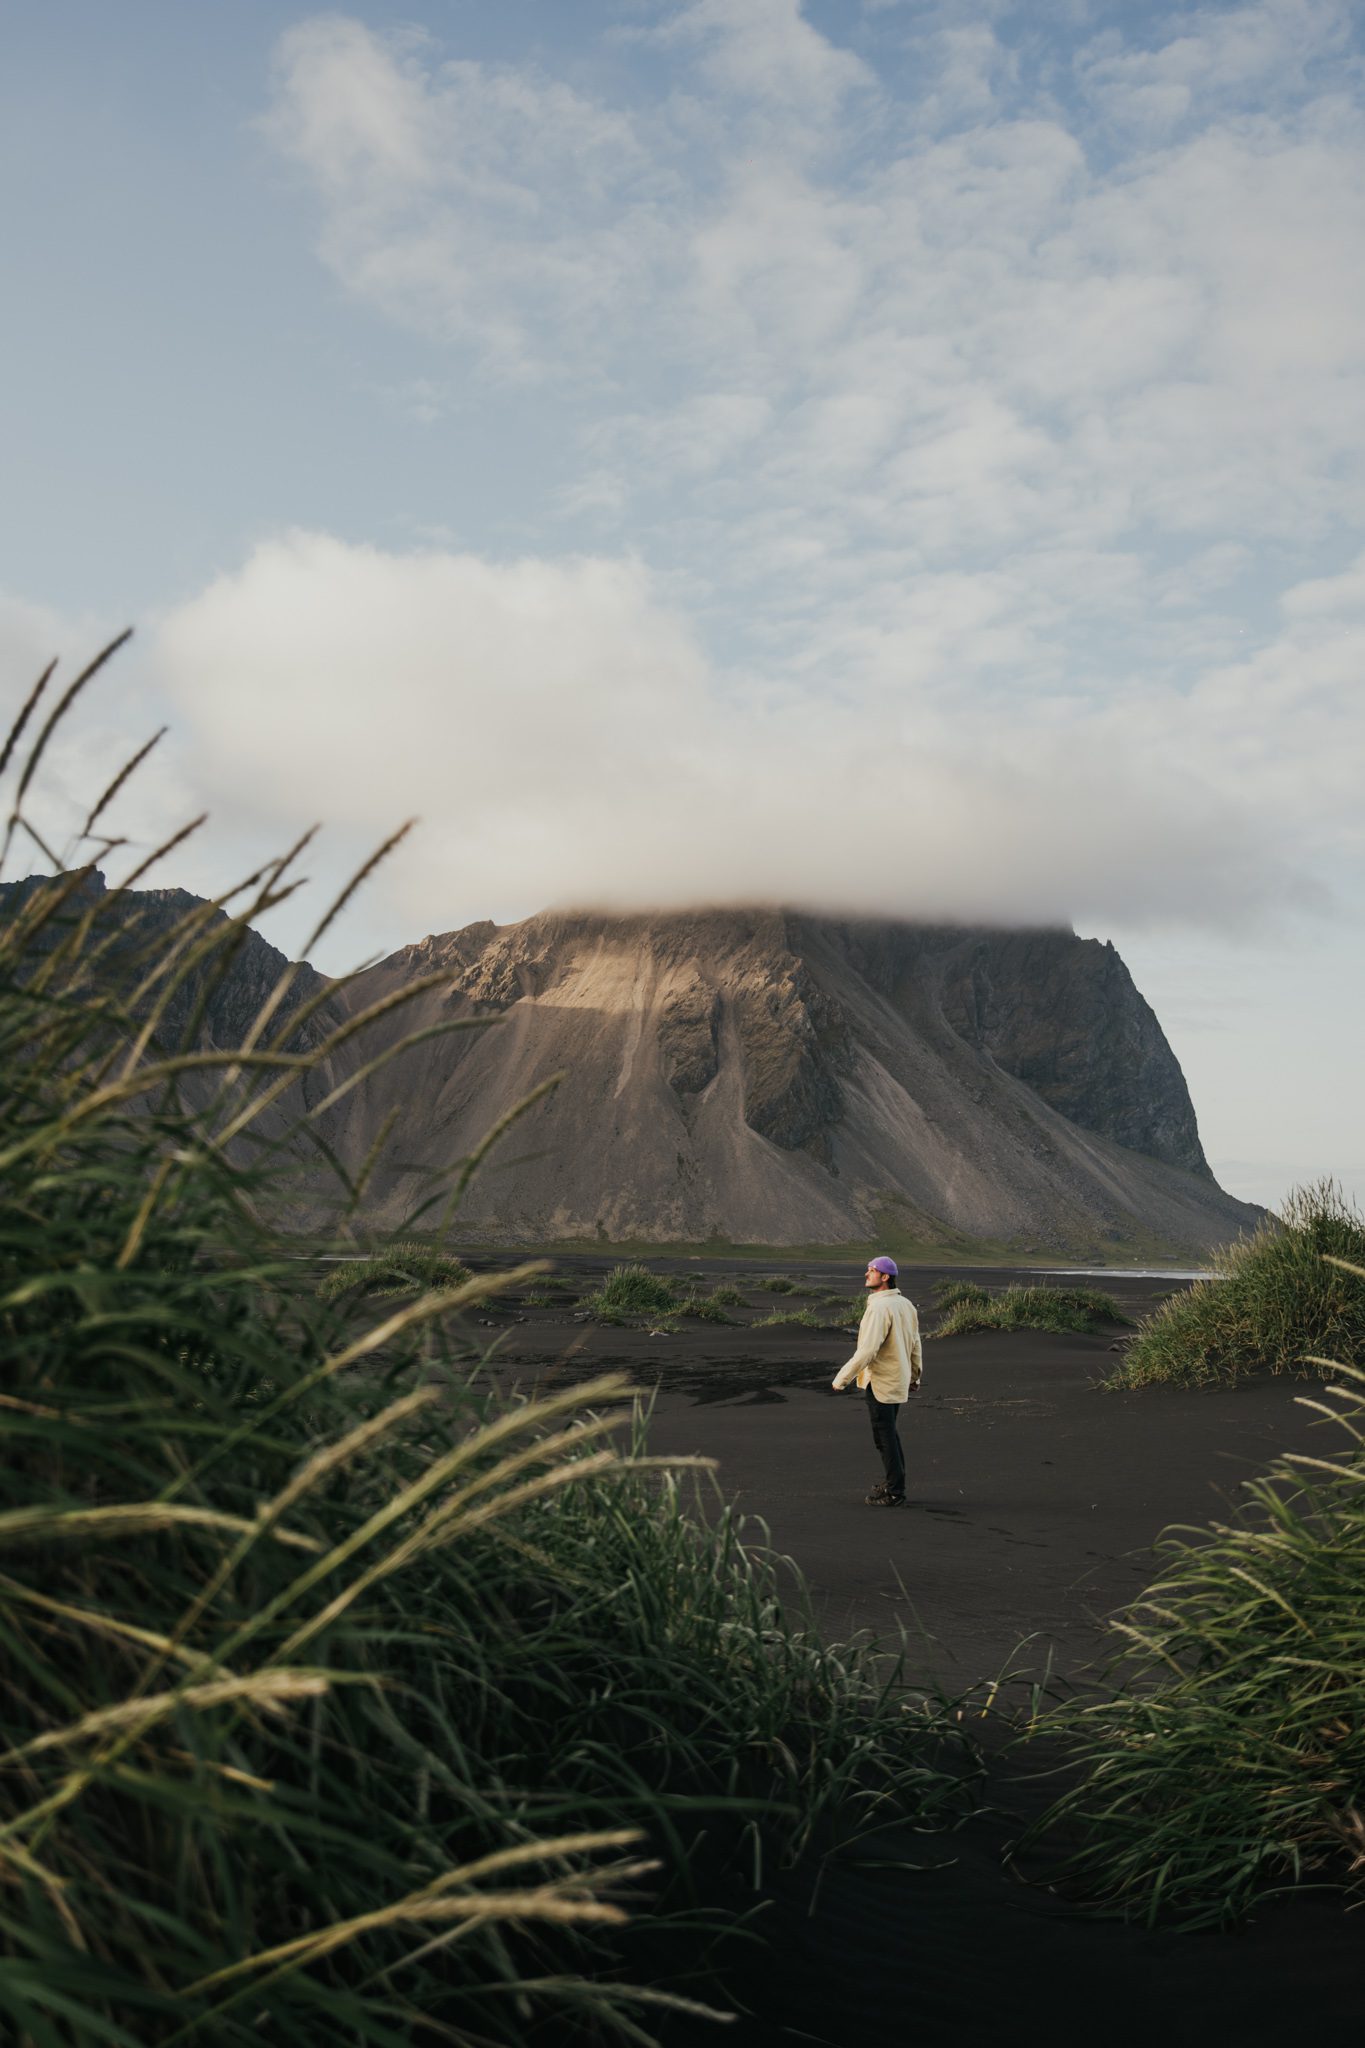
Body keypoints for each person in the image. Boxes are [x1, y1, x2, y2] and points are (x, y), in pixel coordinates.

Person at [830, 1255, 922, 1507]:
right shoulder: (906, 1305)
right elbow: (916, 1344)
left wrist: (842, 1378)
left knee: (884, 1437)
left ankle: (895, 1491)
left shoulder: (880, 1308)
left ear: (886, 1277)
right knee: (889, 1434)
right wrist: (915, 1376)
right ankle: (894, 1481)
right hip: (898, 1379)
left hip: (881, 1381)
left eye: (872, 1270)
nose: (866, 1274)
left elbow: (868, 1350)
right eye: (868, 1269)